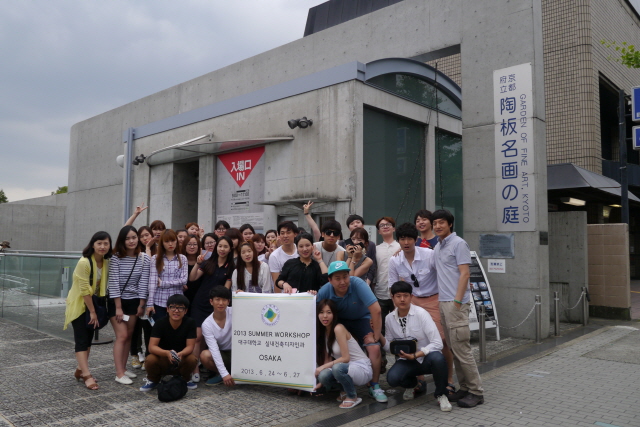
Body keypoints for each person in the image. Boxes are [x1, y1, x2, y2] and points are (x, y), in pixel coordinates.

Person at [388, 222, 455, 394]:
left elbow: (445, 272)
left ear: (416, 239)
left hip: (434, 299)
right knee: (413, 339)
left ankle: (448, 379)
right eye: (402, 239)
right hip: (411, 301)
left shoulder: (429, 255)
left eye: (409, 238)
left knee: (442, 341)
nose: (406, 242)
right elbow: (392, 286)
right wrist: (397, 310)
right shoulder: (395, 260)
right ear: (398, 241)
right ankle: (419, 380)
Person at [432, 209, 484, 408]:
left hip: (456, 304)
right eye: (435, 223)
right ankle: (464, 388)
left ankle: (476, 392)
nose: (437, 226)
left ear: (450, 224)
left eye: (441, 222)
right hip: (443, 302)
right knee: (454, 349)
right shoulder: (438, 246)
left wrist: (457, 302)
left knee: (462, 349)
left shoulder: (458, 243)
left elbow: (465, 274)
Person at [316, 261, 387, 403]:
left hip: (361, 319)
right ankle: (342, 385)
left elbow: (376, 310)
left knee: (374, 347)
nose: (342, 282)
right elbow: (316, 312)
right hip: (340, 323)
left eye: (345, 276)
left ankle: (374, 385)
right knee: (335, 349)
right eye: (337, 278)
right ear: (330, 280)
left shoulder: (358, 284)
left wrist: (376, 335)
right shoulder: (325, 290)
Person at [381, 281, 452, 411]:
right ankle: (413, 385)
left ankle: (442, 394)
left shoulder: (421, 313)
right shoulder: (389, 318)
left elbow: (437, 343)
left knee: (438, 359)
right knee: (392, 378)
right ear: (392, 298)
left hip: (426, 358)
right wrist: (380, 337)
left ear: (411, 297)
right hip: (406, 360)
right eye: (398, 296)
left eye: (406, 295)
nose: (402, 299)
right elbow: (389, 347)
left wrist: (415, 355)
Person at [63, 231, 112, 390]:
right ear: (93, 245)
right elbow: (84, 290)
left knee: (88, 338)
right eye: (99, 243)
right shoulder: (84, 262)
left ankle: (80, 370)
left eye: (106, 243)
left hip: (93, 304)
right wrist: (92, 312)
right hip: (80, 305)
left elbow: (122, 237)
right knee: (82, 340)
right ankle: (87, 375)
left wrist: (133, 218)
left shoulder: (105, 261)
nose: (102, 246)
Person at [108, 226, 151, 385]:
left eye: (134, 237)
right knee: (122, 336)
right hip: (117, 301)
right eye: (127, 238)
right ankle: (119, 373)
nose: (131, 241)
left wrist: (141, 304)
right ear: (122, 240)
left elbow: (143, 282)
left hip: (134, 301)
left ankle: (124, 368)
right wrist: (118, 307)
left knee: (129, 335)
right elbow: (114, 282)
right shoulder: (115, 258)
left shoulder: (144, 258)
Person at [189, 235, 234, 381]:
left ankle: (211, 366)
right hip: (200, 303)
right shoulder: (208, 262)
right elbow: (192, 278)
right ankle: (195, 369)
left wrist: (220, 303)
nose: (222, 249)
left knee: (209, 337)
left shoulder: (231, 267)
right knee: (197, 337)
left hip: (217, 305)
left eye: (225, 246)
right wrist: (197, 264)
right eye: (220, 246)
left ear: (230, 249)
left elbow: (226, 290)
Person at [315, 299, 373, 409]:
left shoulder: (338, 328)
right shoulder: (324, 332)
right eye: (321, 312)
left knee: (337, 368)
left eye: (329, 312)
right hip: (345, 368)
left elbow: (346, 358)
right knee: (323, 375)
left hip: (361, 367)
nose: (325, 316)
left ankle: (352, 396)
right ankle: (344, 390)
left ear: (334, 314)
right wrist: (322, 382)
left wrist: (322, 367)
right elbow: (328, 361)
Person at [139, 294, 198, 391]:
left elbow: (190, 347)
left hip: (181, 358)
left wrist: (181, 354)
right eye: (173, 307)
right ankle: (153, 380)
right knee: (150, 359)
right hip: (163, 358)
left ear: (185, 311)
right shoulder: (160, 323)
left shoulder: (190, 323)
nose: (176, 311)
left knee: (192, 359)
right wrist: (167, 353)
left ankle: (185, 379)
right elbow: (152, 347)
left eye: (180, 308)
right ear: (167, 309)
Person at [146, 230, 188, 321]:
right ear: (162, 243)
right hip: (159, 300)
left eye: (172, 240)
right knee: (160, 327)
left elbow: (184, 280)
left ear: (176, 241)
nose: (170, 244)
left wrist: (163, 283)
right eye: (167, 241)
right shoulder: (155, 258)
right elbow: (152, 282)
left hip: (177, 301)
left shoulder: (182, 258)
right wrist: (150, 303)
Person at [201, 286, 235, 386]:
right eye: (217, 299)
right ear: (211, 301)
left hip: (238, 352)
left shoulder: (235, 311)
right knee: (205, 355)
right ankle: (223, 375)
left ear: (228, 301)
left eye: (224, 300)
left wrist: (242, 295)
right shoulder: (207, 324)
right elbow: (214, 349)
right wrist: (224, 373)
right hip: (223, 354)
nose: (221, 303)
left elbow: (251, 309)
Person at [375, 217, 400, 332]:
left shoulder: (401, 247)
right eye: (382, 225)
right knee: (381, 326)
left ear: (394, 228)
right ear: (379, 231)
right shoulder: (376, 249)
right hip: (380, 292)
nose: (385, 227)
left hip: (399, 292)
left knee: (399, 324)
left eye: (388, 224)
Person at [340, 214, 377, 285]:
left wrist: (368, 282)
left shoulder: (371, 245)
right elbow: (341, 270)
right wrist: (350, 256)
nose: (355, 225)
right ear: (348, 228)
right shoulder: (342, 243)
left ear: (363, 225)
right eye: (352, 223)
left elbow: (372, 266)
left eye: (358, 222)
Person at [268, 221, 299, 291]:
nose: (285, 236)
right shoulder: (274, 256)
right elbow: (276, 283)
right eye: (282, 233)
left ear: (295, 234)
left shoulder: (301, 251)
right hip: (285, 295)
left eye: (288, 232)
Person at [181, 234, 203, 313]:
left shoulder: (204, 263)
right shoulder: (180, 261)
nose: (192, 247)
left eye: (195, 244)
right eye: (189, 244)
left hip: (198, 299)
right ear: (184, 246)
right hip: (182, 297)